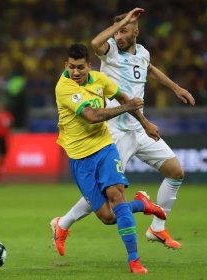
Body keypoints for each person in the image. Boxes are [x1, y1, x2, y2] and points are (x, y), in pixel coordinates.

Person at [51, 8, 196, 255]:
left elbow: (149, 68)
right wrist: (124, 21)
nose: (118, 36)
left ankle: (158, 228)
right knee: (107, 198)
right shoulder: (110, 51)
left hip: (139, 127)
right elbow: (96, 43)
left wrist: (175, 87)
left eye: (125, 31)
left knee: (176, 172)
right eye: (116, 31)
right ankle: (62, 224)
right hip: (114, 132)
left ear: (136, 33)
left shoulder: (143, 53)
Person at [54, 42, 167, 274]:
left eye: (80, 68)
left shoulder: (100, 80)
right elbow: (92, 116)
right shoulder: (64, 87)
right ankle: (142, 204)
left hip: (105, 148)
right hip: (79, 159)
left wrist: (145, 124)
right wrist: (125, 107)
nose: (75, 72)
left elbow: (126, 98)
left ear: (89, 66)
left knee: (116, 196)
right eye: (72, 67)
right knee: (108, 217)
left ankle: (134, 260)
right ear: (66, 65)